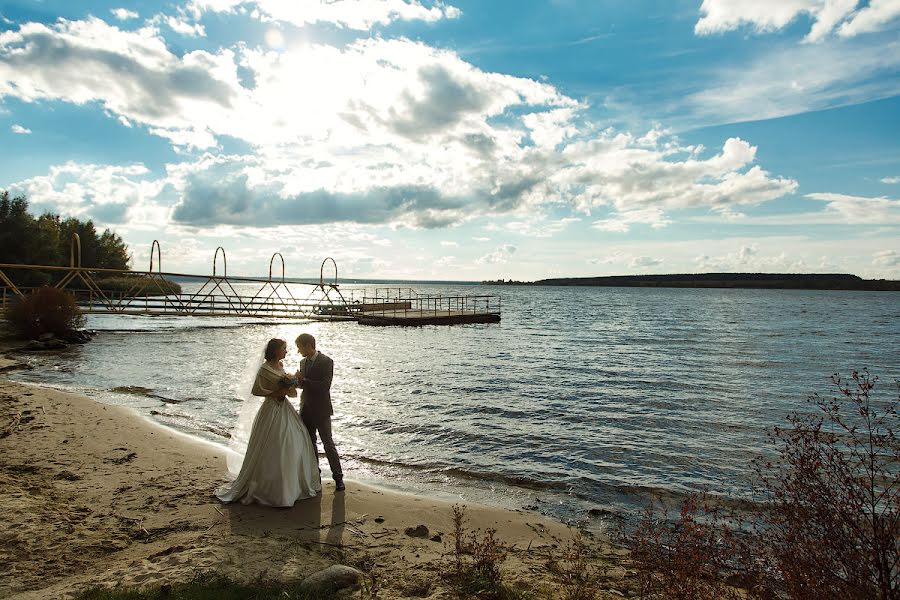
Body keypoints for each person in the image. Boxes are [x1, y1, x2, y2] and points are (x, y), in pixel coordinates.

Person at [216, 338, 321, 506]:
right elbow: (256, 390)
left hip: (284, 408)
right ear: (275, 351)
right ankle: (271, 489)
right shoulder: (264, 369)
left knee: (294, 441)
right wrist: (274, 392)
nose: (286, 351)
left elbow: (291, 393)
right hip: (271, 409)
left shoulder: (281, 367)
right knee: (274, 445)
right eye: (284, 349)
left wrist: (291, 385)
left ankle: (291, 485)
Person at [295, 333, 345, 491]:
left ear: (309, 345)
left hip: (322, 410)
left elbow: (325, 386)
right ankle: (315, 477)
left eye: (300, 347)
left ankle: (338, 478)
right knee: (310, 445)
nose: (299, 351)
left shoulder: (326, 361)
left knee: (328, 444)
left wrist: (305, 381)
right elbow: (303, 386)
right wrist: (295, 382)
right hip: (306, 409)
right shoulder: (303, 362)